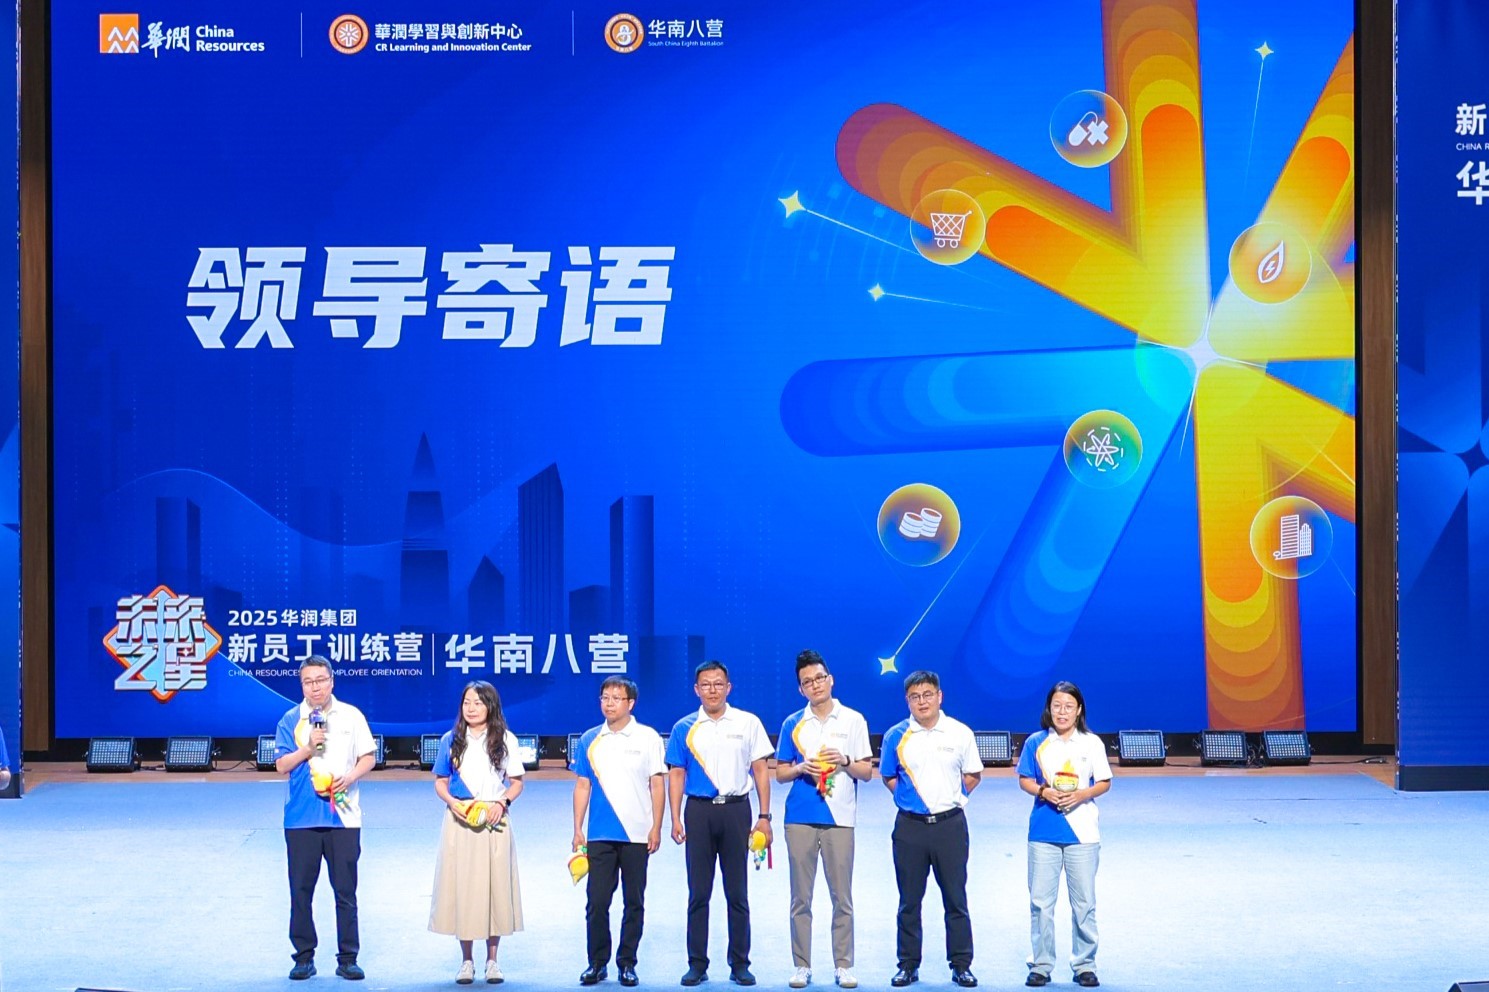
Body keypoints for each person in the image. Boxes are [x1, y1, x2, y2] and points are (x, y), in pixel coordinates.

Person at [666, 660, 775, 987]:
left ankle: (740, 963)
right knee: (698, 892)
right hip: (698, 813)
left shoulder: (748, 722)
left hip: (736, 811)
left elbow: (760, 771)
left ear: (728, 687)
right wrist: (675, 816)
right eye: (706, 684)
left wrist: (764, 816)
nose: (712, 690)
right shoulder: (684, 727)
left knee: (737, 892)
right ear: (696, 689)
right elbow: (676, 774)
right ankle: (697, 964)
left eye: (718, 684)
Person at [274, 655, 377, 981]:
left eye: (320, 680)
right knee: (301, 892)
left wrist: (350, 777)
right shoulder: (291, 719)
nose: (314, 687)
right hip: (301, 819)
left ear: (331, 681)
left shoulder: (351, 715)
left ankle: (348, 958)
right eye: (308, 682)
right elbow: (281, 765)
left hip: (343, 817)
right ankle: (303, 957)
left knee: (345, 891)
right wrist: (307, 748)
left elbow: (368, 757)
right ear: (301, 685)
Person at [879, 670, 984, 989]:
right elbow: (888, 776)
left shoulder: (959, 733)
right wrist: (912, 801)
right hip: (909, 829)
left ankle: (961, 965)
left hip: (950, 827)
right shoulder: (895, 736)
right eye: (915, 697)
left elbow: (973, 774)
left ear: (940, 696)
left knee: (956, 899)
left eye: (927, 695)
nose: (922, 702)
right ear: (907, 701)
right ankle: (908, 965)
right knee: (909, 901)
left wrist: (953, 799)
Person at [775, 650, 872, 990]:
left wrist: (844, 760)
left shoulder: (853, 720)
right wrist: (801, 768)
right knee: (800, 898)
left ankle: (843, 965)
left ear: (830, 679)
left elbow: (866, 771)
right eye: (807, 682)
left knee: (841, 897)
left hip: (840, 819)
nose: (814, 685)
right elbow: (780, 773)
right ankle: (801, 965)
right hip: (799, 819)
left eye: (819, 678)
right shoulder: (792, 724)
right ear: (800, 689)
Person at [1016, 681, 1112, 989]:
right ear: (1049, 708)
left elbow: (1104, 782)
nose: (1062, 712)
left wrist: (1081, 795)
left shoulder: (1092, 743)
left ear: (1079, 710)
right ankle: (1041, 965)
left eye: (1068, 706)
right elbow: (1024, 780)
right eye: (1056, 705)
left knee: (1084, 903)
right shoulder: (1036, 742)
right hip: (1043, 832)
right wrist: (1043, 791)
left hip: (1083, 833)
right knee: (1040, 903)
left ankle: (1085, 965)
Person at [572, 676, 667, 987]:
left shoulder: (648, 737)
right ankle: (597, 963)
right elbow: (582, 785)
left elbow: (657, 784)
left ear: (631, 703)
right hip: (600, 834)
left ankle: (627, 963)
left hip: (637, 834)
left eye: (616, 698)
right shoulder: (590, 739)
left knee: (633, 901)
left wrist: (657, 826)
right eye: (605, 697)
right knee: (597, 901)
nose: (609, 703)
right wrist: (577, 828)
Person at [430, 680, 526, 986]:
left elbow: (517, 782)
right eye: (466, 703)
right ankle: (467, 961)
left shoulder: (505, 739)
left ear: (490, 706)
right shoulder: (451, 740)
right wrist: (452, 802)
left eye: (478, 703)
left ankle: (492, 961)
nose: (471, 709)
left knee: (495, 888)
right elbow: (440, 782)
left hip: (494, 820)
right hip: (460, 819)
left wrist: (502, 802)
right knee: (465, 889)